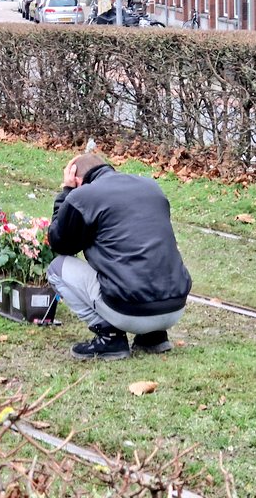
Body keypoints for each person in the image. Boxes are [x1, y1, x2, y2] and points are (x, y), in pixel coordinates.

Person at [47, 154, 192, 361]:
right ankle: (153, 337)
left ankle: (110, 338)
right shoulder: (151, 187)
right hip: (175, 307)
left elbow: (60, 243)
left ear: (75, 178)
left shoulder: (83, 195)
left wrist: (67, 193)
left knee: (57, 268)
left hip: (129, 311)